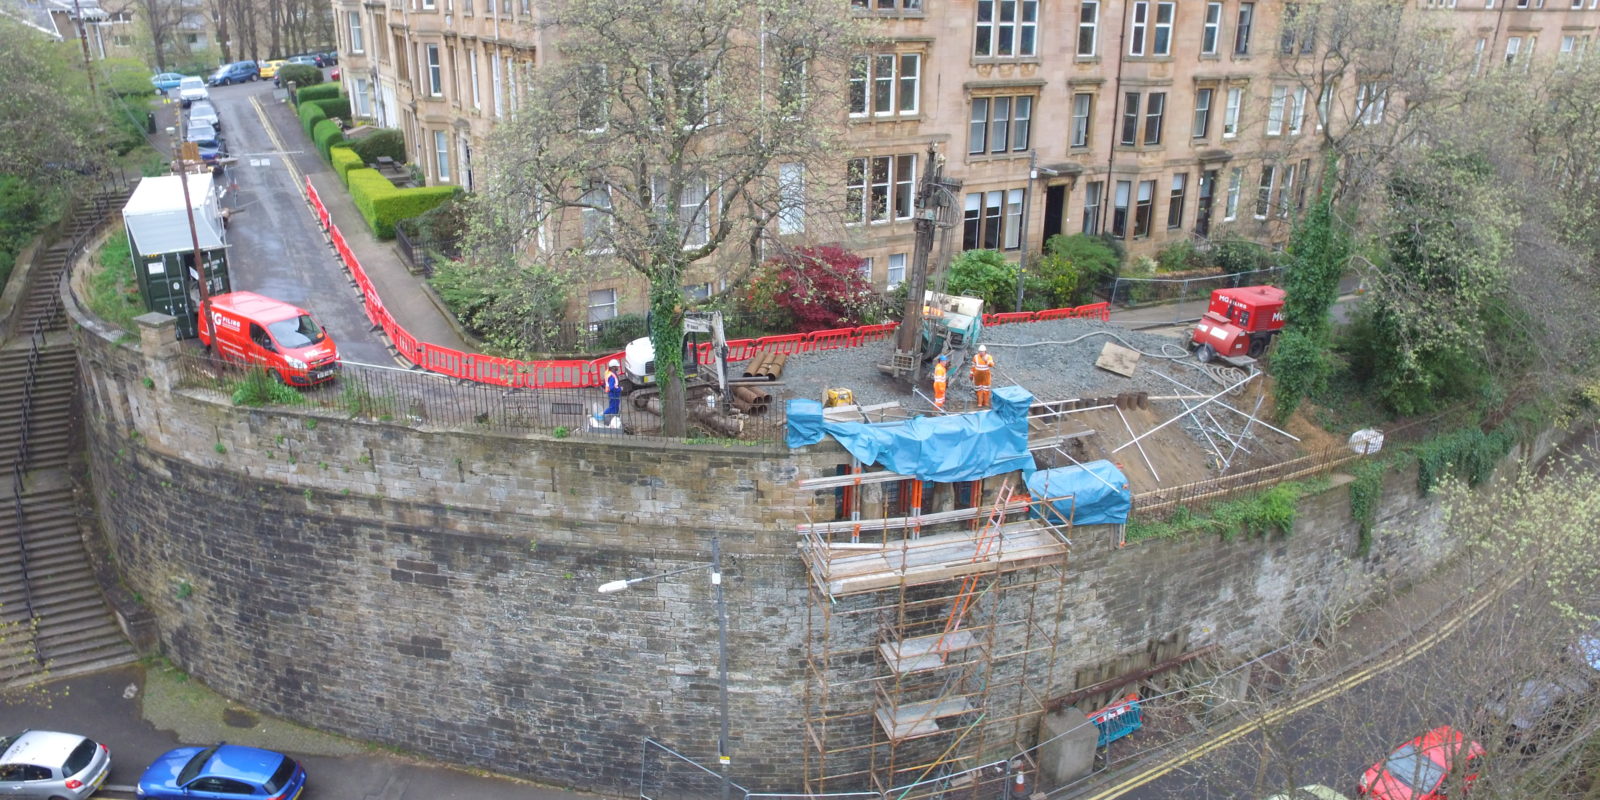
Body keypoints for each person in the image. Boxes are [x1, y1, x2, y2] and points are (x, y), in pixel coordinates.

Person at [971, 344, 994, 409]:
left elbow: (992, 364)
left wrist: (986, 361)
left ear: (985, 351)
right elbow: (973, 366)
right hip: (978, 376)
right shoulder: (975, 357)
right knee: (979, 390)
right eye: (980, 351)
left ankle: (986, 403)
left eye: (982, 351)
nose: (981, 353)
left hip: (986, 376)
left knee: (986, 390)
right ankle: (979, 403)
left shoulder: (988, 357)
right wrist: (971, 374)